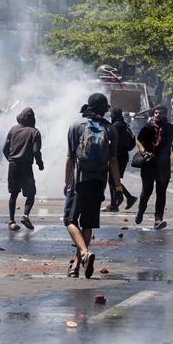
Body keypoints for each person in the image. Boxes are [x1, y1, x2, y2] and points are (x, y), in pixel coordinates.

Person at [64, 93, 122, 278]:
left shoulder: (76, 127)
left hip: (79, 181)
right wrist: (118, 187)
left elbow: (70, 157)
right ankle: (76, 265)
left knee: (70, 220)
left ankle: (83, 254)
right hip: (99, 182)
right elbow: (113, 161)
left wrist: (66, 182)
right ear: (104, 109)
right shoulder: (111, 129)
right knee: (87, 224)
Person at [135, 105, 173, 229]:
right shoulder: (148, 127)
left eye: (160, 113)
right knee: (146, 191)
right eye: (156, 112)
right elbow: (138, 141)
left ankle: (158, 219)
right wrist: (143, 152)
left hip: (163, 166)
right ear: (153, 114)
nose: (158, 114)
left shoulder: (170, 128)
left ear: (165, 114)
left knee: (161, 193)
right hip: (148, 164)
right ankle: (141, 212)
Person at [2, 107, 43, 231]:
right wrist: (40, 163)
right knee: (31, 193)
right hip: (26, 166)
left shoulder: (13, 129)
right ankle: (25, 215)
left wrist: (11, 160)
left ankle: (11, 221)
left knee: (13, 194)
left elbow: (5, 148)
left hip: (13, 165)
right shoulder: (35, 132)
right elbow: (36, 151)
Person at [108, 108, 137, 211]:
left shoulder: (116, 126)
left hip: (118, 155)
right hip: (123, 155)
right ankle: (123, 199)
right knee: (114, 179)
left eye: (111, 115)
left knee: (112, 180)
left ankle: (115, 203)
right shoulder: (124, 124)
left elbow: (114, 142)